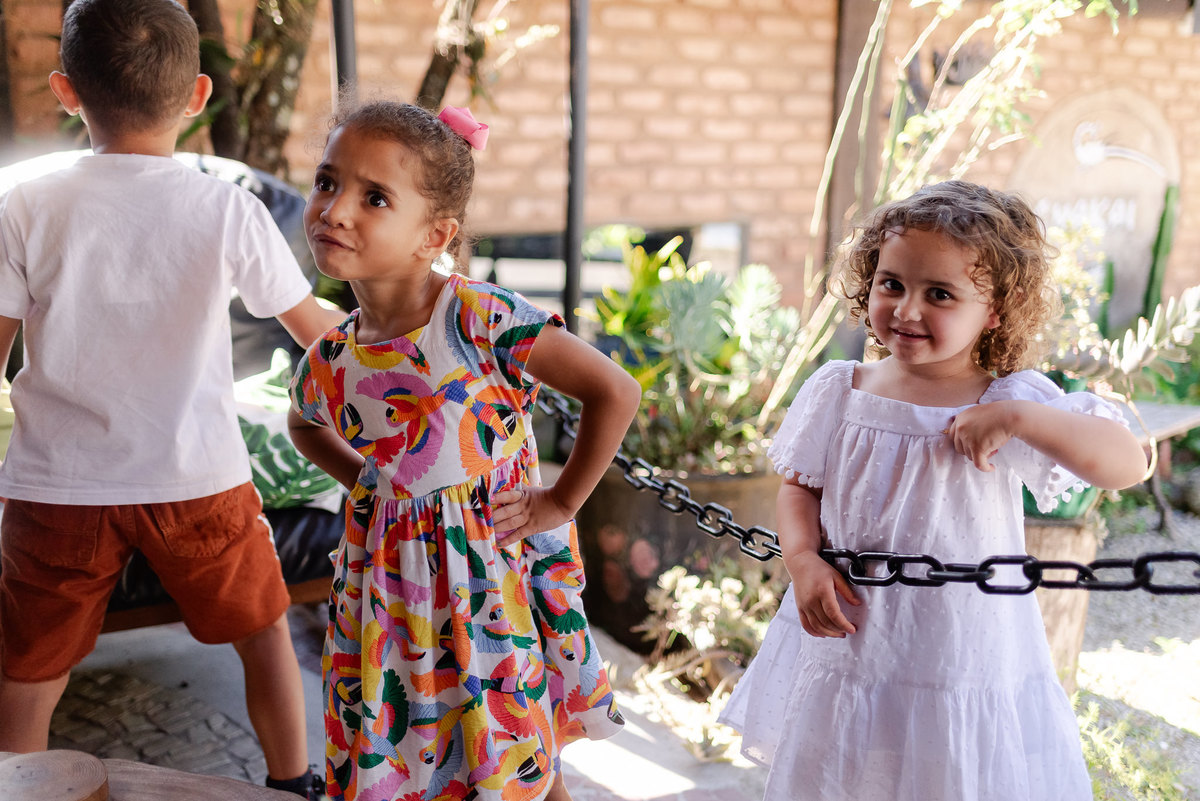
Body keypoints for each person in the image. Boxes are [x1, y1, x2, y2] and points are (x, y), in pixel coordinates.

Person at [0, 1, 341, 797]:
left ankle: (18, 782)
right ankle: (292, 780)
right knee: (263, 636)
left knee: (28, 666)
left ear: (64, 90)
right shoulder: (225, 206)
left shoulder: (23, 206)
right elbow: (317, 332)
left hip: (57, 489)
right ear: (197, 95)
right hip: (200, 482)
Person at [718, 180, 1148, 801]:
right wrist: (804, 560)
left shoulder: (1006, 402)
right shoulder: (843, 388)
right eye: (891, 284)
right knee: (846, 769)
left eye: (940, 294)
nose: (907, 310)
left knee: (944, 773)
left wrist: (1023, 421)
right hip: (854, 632)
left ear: (995, 310)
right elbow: (799, 488)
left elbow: (1125, 463)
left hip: (960, 644)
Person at [286, 99, 641, 801]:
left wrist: (560, 498)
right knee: (424, 745)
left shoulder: (477, 317)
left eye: (373, 196)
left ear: (434, 235)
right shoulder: (331, 356)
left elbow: (615, 390)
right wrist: (372, 482)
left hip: (487, 578)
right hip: (393, 596)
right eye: (328, 182)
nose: (335, 209)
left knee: (515, 748)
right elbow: (304, 423)